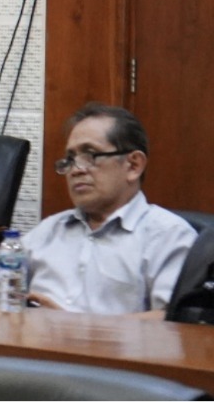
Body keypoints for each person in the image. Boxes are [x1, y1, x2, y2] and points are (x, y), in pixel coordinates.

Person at [25, 103, 195, 314]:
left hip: (116, 348)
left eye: (90, 156)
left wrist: (73, 327)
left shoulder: (168, 236)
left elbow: (170, 322)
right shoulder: (48, 230)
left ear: (133, 166)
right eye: (70, 159)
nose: (76, 170)